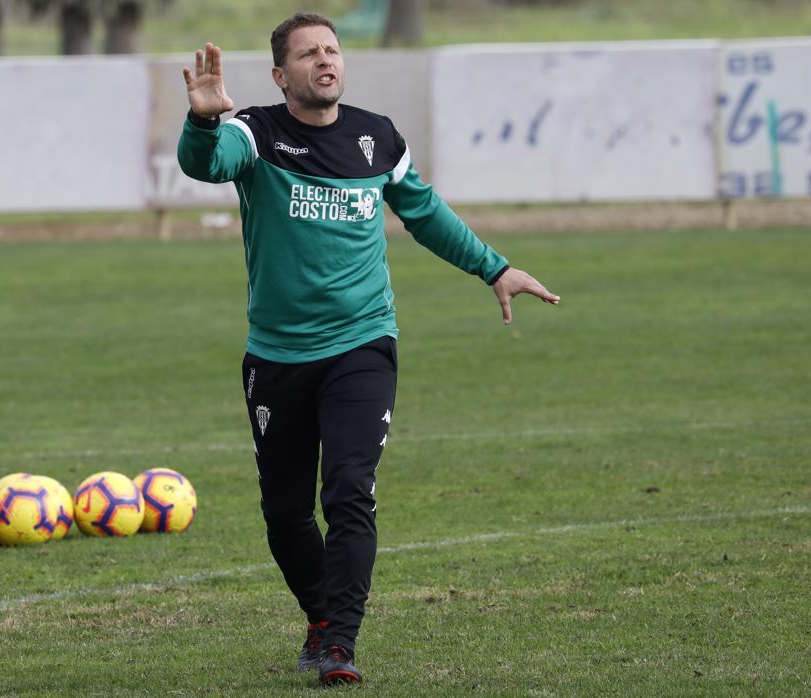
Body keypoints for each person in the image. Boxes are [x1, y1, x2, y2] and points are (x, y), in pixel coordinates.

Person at [176, 12, 559, 687]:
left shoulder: (375, 138)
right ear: (279, 74)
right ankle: (320, 619)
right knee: (285, 512)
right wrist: (202, 121)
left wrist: (493, 268)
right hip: (276, 355)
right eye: (307, 54)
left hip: (361, 344)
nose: (324, 61)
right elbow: (206, 165)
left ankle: (340, 644)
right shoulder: (253, 134)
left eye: (332, 50)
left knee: (348, 492)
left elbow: (425, 213)